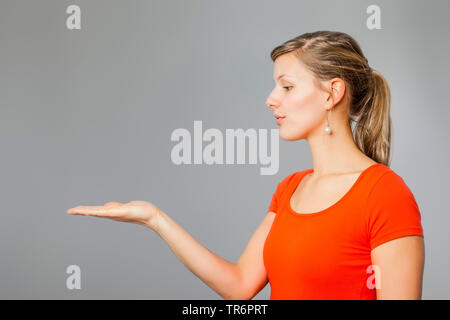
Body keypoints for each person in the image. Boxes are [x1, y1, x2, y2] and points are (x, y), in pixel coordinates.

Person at [66, 30, 425, 300]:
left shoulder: (384, 194)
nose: (271, 100)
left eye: (286, 87)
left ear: (332, 93)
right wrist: (154, 219)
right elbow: (239, 285)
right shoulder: (290, 189)